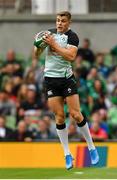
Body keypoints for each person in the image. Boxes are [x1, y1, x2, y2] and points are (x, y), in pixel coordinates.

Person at [34, 11, 99, 170]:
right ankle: (67, 154)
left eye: (63, 21)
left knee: (75, 114)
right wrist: (39, 45)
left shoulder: (72, 37)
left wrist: (53, 44)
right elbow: (37, 55)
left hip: (66, 79)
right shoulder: (48, 34)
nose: (59, 23)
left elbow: (70, 57)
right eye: (57, 20)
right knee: (60, 117)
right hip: (50, 80)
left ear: (69, 22)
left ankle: (91, 147)